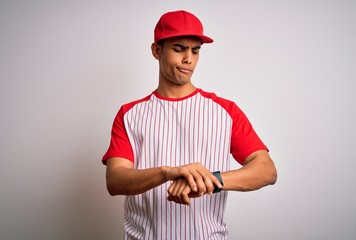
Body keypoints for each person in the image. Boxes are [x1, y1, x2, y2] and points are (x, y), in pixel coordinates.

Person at [102, 10, 277, 239]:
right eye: (179, 48)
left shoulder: (225, 110)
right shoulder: (129, 114)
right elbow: (115, 180)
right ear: (157, 51)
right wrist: (168, 172)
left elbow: (266, 170)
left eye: (195, 50)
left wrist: (209, 180)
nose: (189, 59)